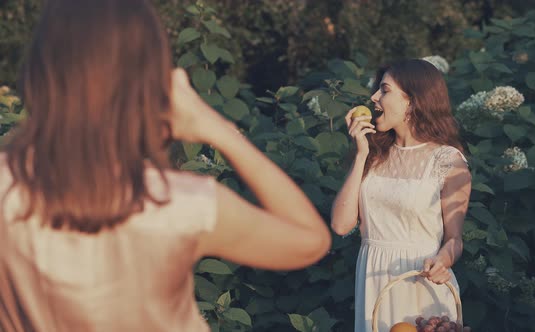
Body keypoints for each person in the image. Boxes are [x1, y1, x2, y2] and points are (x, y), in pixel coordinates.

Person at [0, 1, 331, 331]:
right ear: (152, 84)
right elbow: (310, 240)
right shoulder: (181, 205)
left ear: (39, 72)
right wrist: (216, 128)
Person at [331, 59, 472, 331]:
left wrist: (443, 260)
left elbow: (454, 239)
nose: (373, 97)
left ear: (412, 101)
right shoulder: (373, 156)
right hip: (375, 280)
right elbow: (340, 225)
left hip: (422, 283)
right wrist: (361, 154)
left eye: (384, 90)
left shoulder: (448, 161)